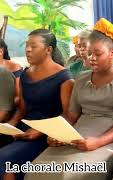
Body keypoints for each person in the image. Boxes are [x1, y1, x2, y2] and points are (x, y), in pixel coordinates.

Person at [25, 18, 113, 180]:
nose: (92, 58)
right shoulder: (82, 78)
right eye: (89, 53)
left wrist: (98, 142)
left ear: (112, 53)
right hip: (77, 134)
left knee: (69, 174)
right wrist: (57, 134)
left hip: (110, 137)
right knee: (37, 168)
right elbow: (71, 115)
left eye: (97, 54)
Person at [0, 29, 74, 180]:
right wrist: (9, 127)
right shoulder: (25, 74)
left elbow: (68, 115)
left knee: (4, 158)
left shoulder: (64, 77)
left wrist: (39, 131)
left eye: (33, 46)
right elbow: (22, 111)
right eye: (26, 45)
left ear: (48, 50)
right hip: (24, 130)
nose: (27, 49)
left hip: (47, 134)